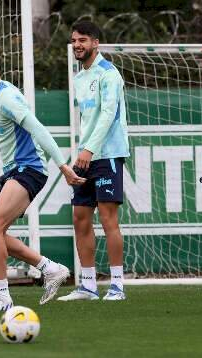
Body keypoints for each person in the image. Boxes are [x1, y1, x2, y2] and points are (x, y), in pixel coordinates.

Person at [0, 47, 84, 312]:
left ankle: (2, 296)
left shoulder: (6, 96)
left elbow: (38, 128)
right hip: (16, 171)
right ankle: (50, 268)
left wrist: (63, 166)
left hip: (28, 168)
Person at [58, 21, 130, 302]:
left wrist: (89, 149)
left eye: (83, 40)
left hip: (107, 154)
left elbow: (109, 115)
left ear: (96, 43)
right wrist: (83, 150)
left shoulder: (109, 74)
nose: (77, 45)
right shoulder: (79, 77)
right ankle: (87, 285)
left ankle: (117, 286)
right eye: (74, 40)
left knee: (108, 218)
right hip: (85, 155)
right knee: (79, 217)